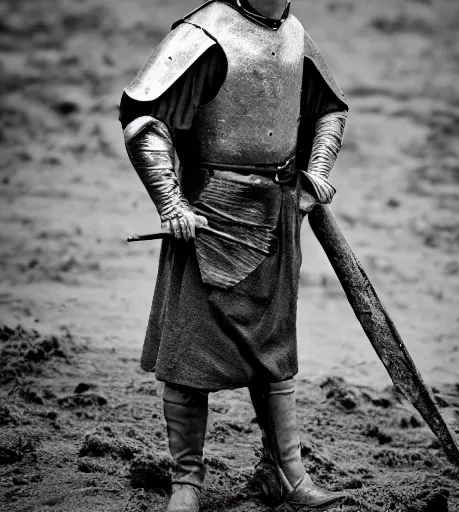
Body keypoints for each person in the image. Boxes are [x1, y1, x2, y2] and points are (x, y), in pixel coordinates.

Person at [120, 1, 348, 510]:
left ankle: (284, 473)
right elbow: (143, 118)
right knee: (189, 355)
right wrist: (172, 202)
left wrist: (316, 173)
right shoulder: (206, 32)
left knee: (274, 354)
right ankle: (186, 485)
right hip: (208, 218)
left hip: (277, 215)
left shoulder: (294, 35)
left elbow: (329, 109)